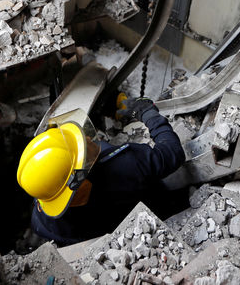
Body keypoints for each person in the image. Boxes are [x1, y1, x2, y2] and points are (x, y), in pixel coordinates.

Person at [16, 97, 184, 246]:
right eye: (82, 148)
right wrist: (148, 113)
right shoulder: (124, 166)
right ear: (78, 177)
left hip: (81, 235)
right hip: (144, 211)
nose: (87, 138)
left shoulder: (47, 190)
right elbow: (173, 153)